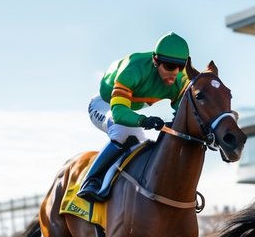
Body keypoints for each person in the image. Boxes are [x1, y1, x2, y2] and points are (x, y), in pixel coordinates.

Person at [79, 32, 191, 202]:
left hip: (127, 108)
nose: (175, 72)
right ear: (155, 61)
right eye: (169, 66)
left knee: (141, 143)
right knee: (123, 133)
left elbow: (184, 114)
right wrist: (144, 121)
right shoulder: (133, 68)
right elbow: (118, 113)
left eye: (180, 66)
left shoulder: (179, 80)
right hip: (105, 104)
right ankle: (91, 181)